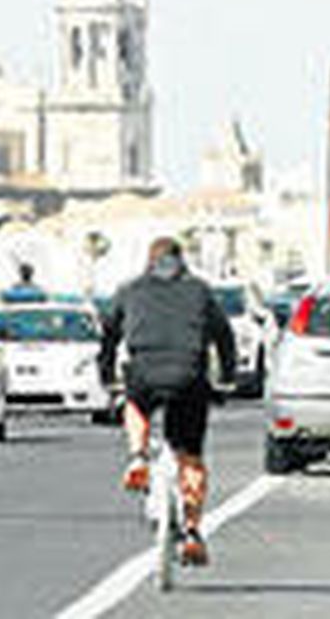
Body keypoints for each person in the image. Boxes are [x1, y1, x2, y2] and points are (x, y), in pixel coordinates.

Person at [99, 236, 236, 567]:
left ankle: (137, 457)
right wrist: (227, 378)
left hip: (143, 372)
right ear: (181, 262)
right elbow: (224, 336)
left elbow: (109, 334)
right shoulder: (200, 291)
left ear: (149, 262)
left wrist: (106, 374)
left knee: (135, 404)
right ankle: (191, 532)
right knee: (190, 457)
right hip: (189, 377)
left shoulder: (129, 290)